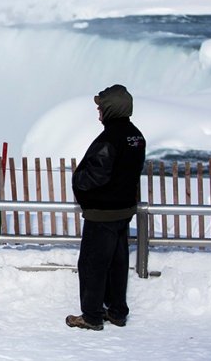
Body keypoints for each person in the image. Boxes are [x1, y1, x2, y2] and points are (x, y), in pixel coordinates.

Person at [66, 84, 146, 331]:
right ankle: (117, 311)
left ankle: (91, 315)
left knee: (92, 263)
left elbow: (96, 175)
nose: (98, 111)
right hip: (123, 209)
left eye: (101, 107)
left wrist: (77, 180)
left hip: (103, 212)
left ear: (111, 109)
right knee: (117, 262)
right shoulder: (136, 136)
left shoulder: (110, 138)